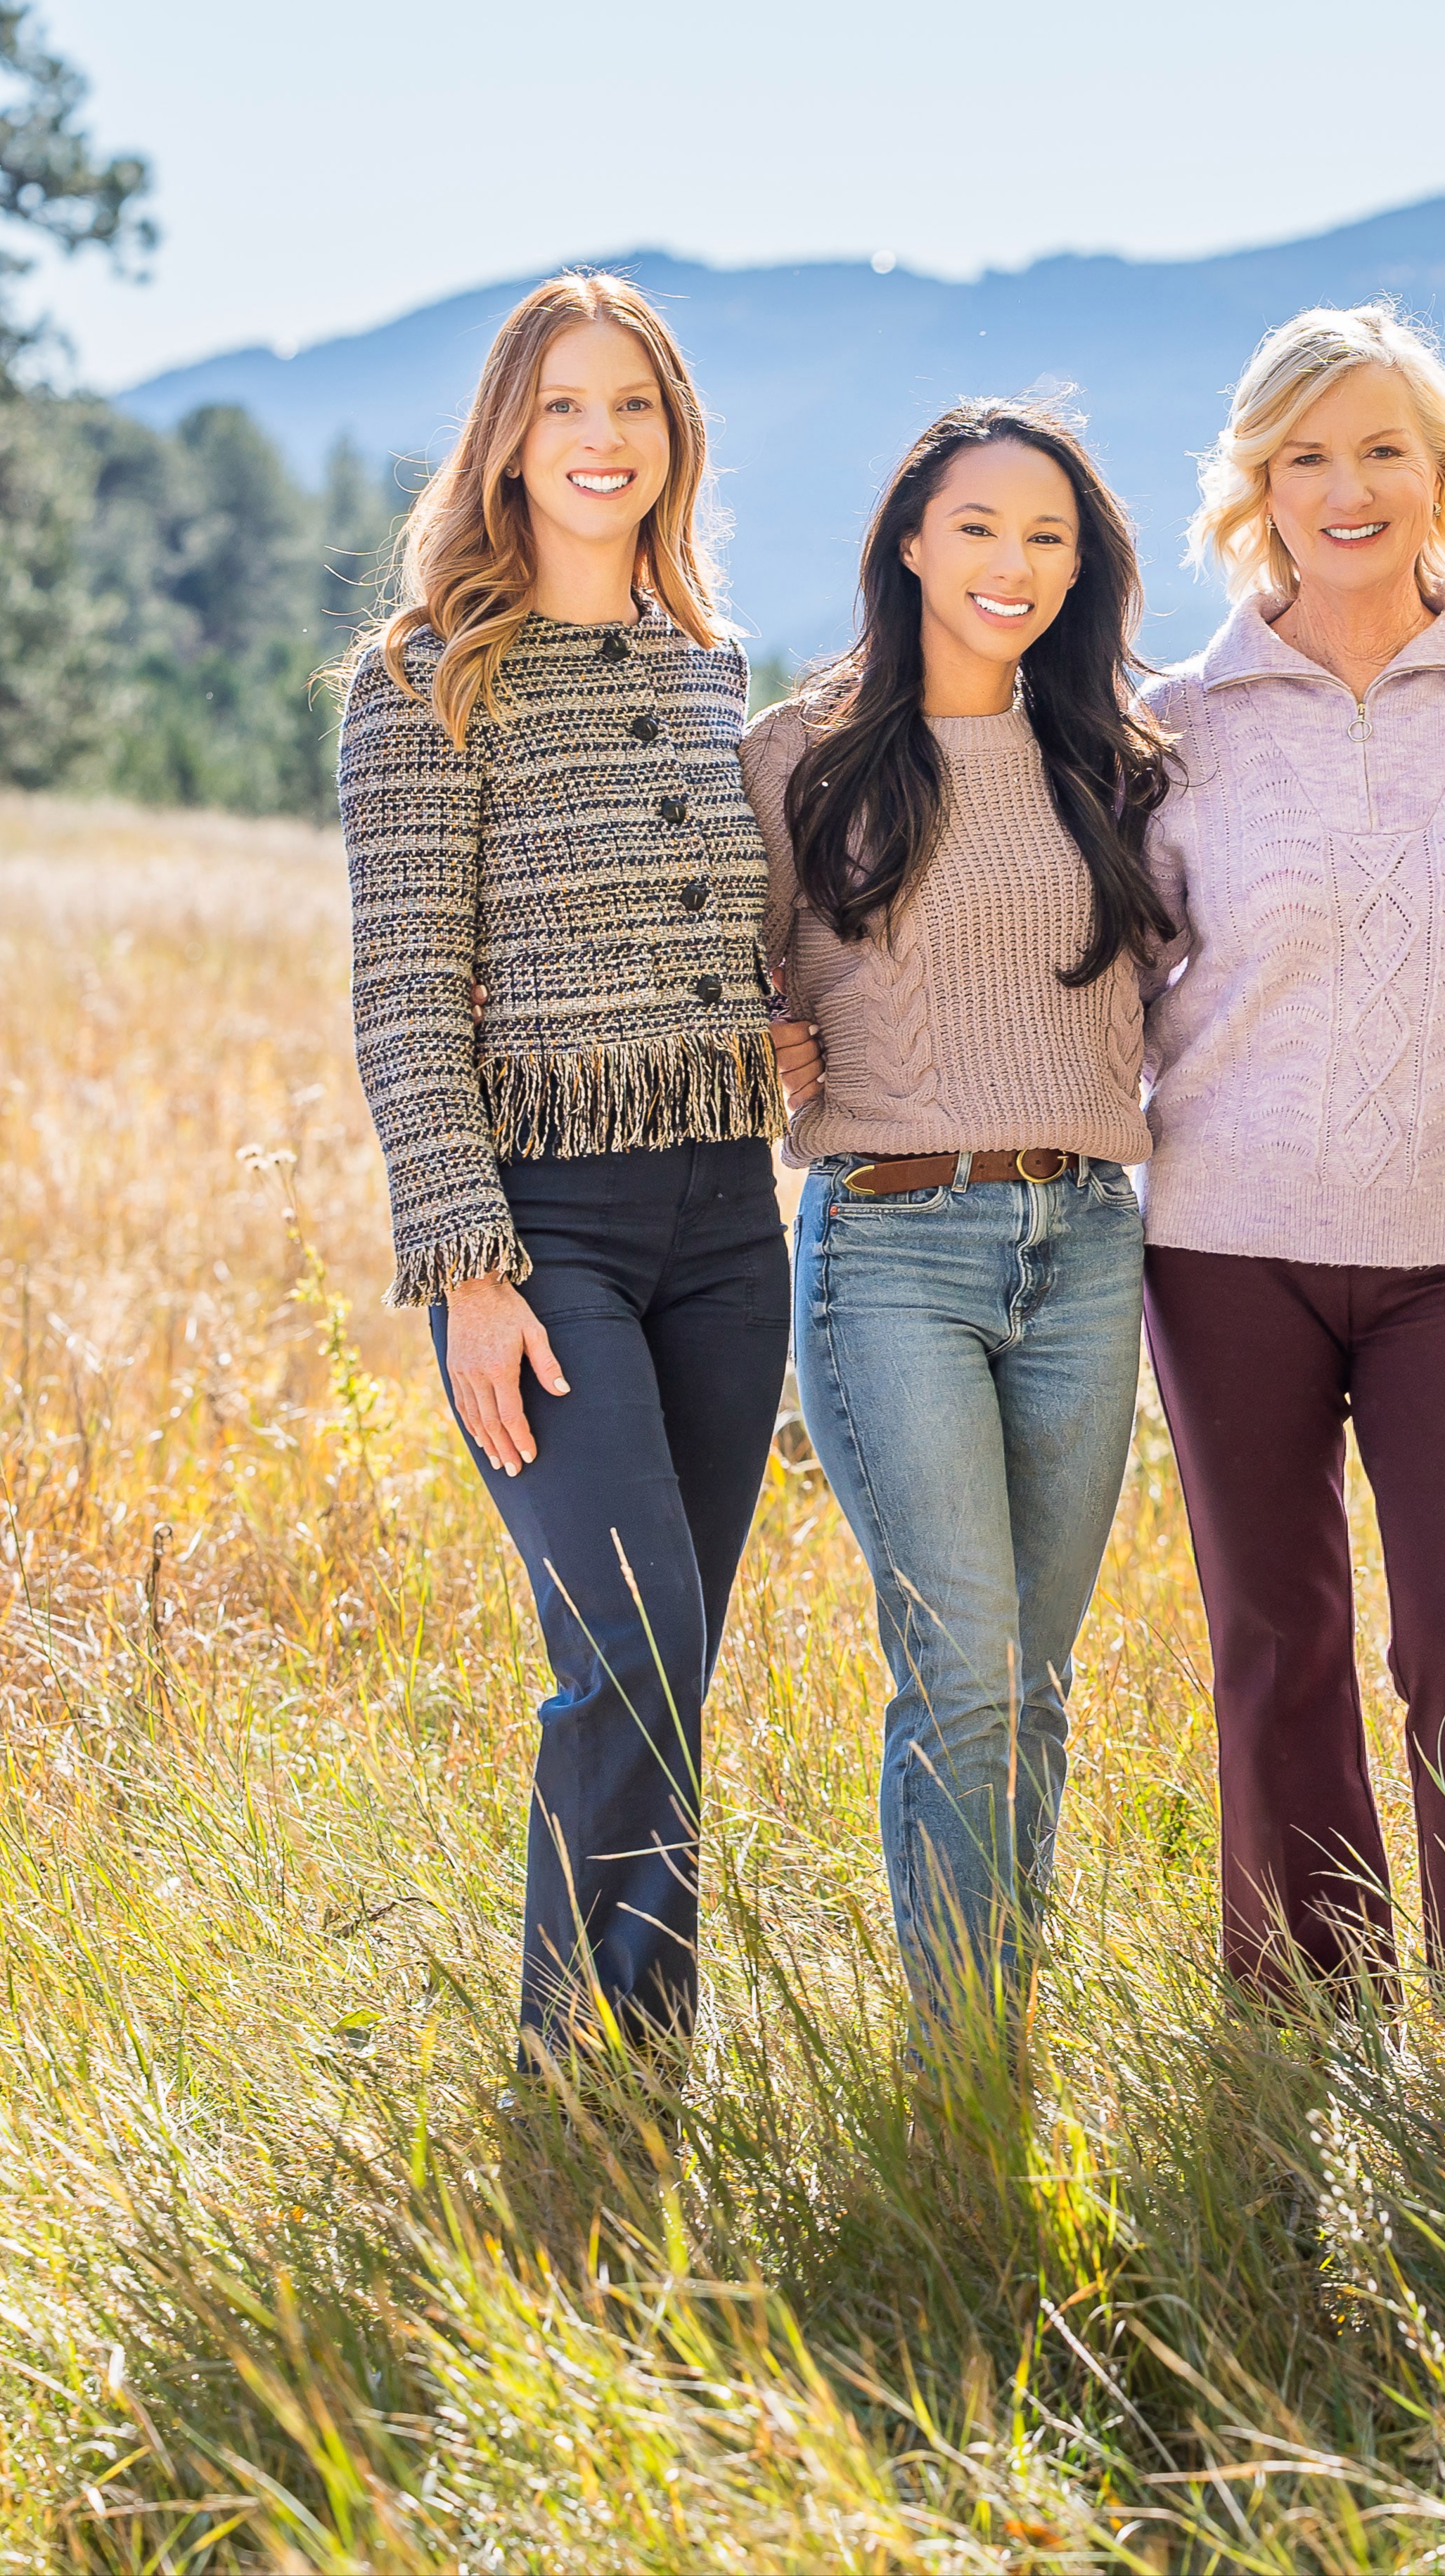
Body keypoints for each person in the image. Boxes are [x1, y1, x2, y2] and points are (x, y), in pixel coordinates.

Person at [338, 272, 789, 2071]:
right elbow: (401, 989)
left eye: (634, 408)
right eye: (563, 408)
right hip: (551, 1235)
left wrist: (778, 1036)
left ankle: (637, 2073)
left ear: (676, 440)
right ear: (506, 443)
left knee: (677, 1673)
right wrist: (468, 1265)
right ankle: (576, 2072)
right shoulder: (429, 675)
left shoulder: (711, 667)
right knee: (630, 1650)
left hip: (727, 1227)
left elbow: (720, 945)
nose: (600, 441)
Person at [1137, 304, 1445, 2002]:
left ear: (1442, 474)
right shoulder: (1179, 722)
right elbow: (1095, 973)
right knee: (1275, 1641)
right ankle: (1309, 2014)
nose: (1346, 486)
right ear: (1255, 481)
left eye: (1383, 448)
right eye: (1306, 454)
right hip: (1226, 1242)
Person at [743, 401, 1169, 2029]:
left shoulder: (1116, 762)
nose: (1013, 563)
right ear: (910, 539)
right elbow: (733, 975)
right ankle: (960, 2073)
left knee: (1033, 1690)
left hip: (1085, 1245)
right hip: (893, 1245)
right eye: (979, 526)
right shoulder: (804, 753)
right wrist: (762, 1044)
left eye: (1047, 536)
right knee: (966, 1678)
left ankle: (1002, 2037)